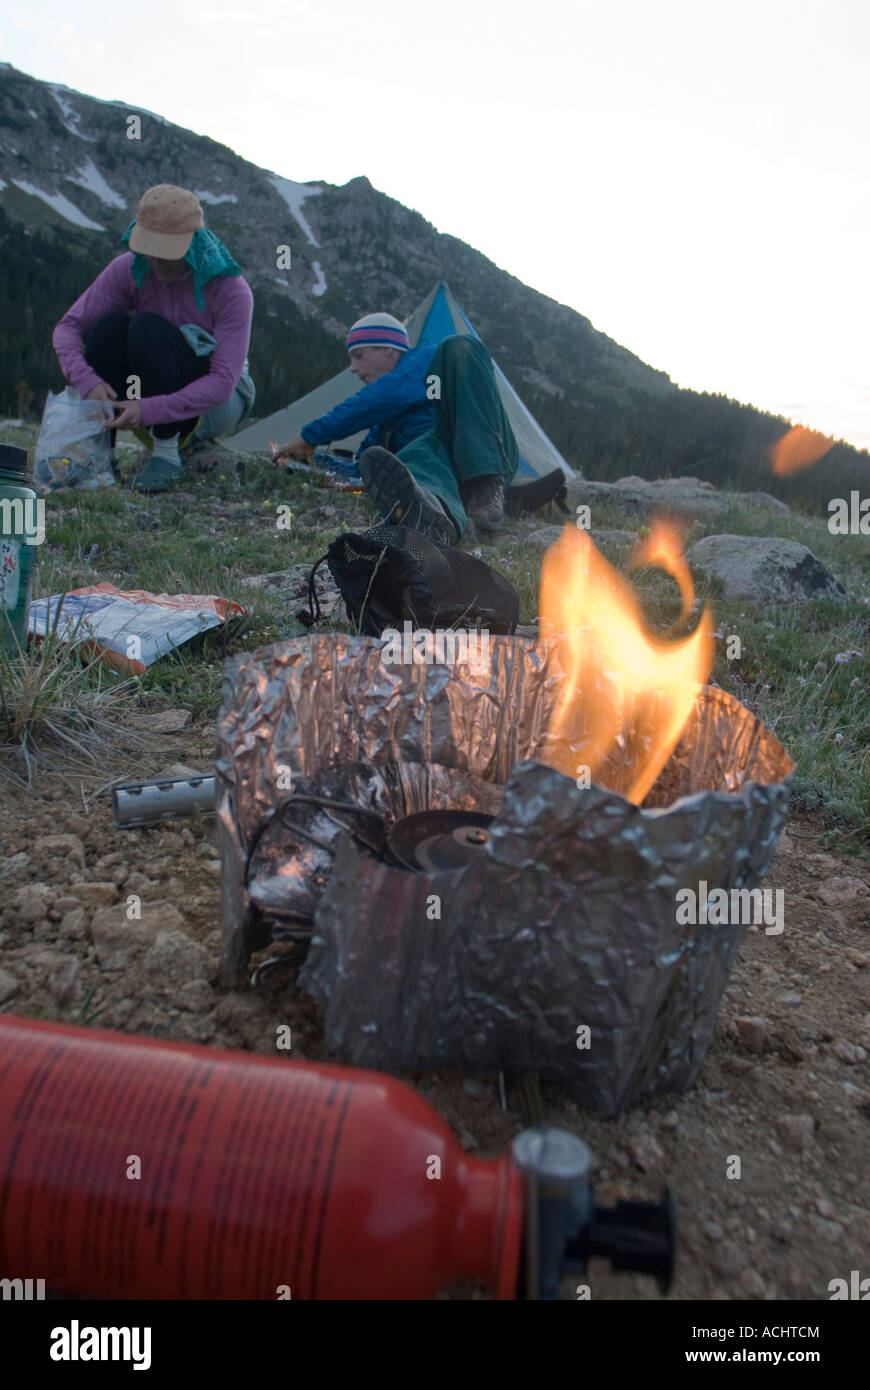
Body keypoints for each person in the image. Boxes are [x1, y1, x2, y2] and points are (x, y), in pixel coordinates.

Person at [52, 185, 255, 493]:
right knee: (109, 326)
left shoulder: (230, 289)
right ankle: (99, 451)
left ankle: (166, 453)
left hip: (216, 405)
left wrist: (150, 410)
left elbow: (223, 382)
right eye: (151, 251)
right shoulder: (130, 269)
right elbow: (68, 328)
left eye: (167, 254)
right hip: (147, 394)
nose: (157, 262)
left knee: (146, 328)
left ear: (192, 243)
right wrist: (87, 381)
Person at [274, 313, 520, 544]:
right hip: (441, 469)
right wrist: (316, 463)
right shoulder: (386, 423)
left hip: (488, 449)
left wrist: (310, 436)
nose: (352, 367)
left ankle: (487, 484)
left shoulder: (428, 361)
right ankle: (444, 520)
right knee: (408, 458)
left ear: (389, 350)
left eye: (359, 355)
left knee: (461, 345)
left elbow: (380, 397)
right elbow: (367, 465)